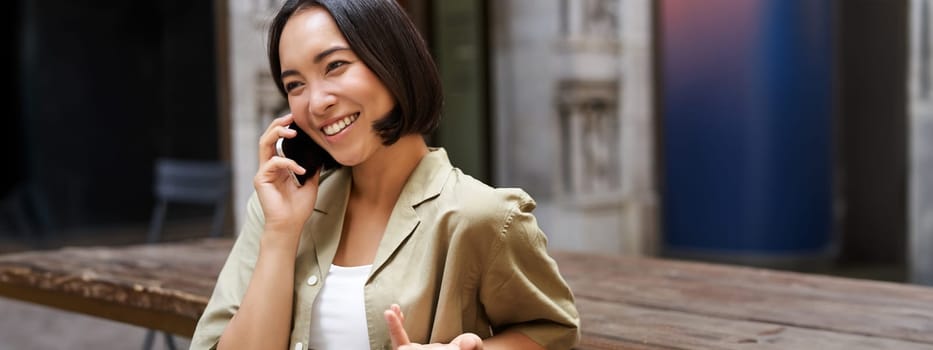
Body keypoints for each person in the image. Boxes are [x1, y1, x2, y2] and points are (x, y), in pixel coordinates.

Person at [190, 0, 580, 349]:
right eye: (295, 85)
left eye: (336, 66)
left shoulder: (482, 216)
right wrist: (281, 234)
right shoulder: (278, 212)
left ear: (392, 61)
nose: (317, 102)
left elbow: (551, 331)